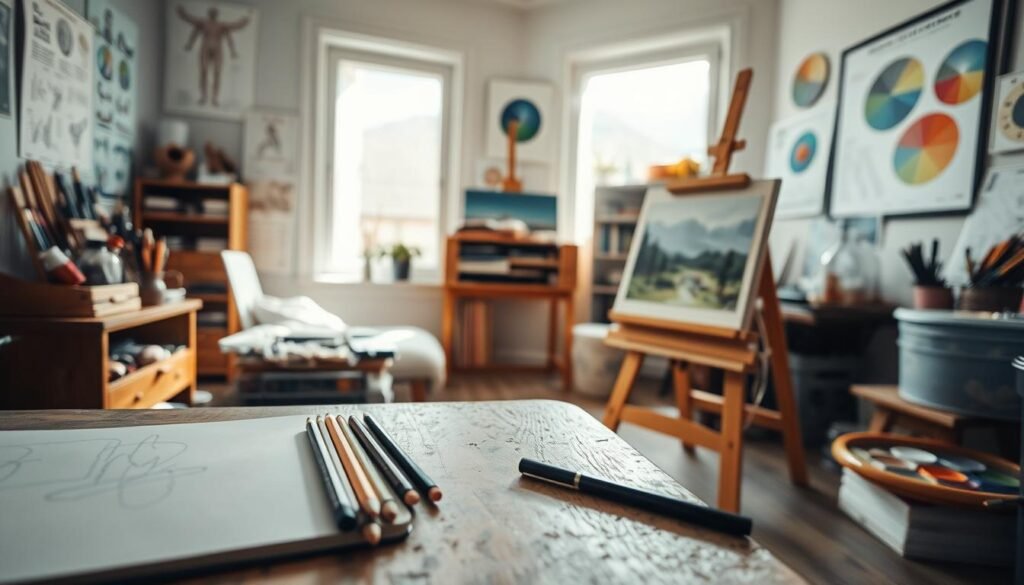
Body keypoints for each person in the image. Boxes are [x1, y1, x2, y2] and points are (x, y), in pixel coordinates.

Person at [176, 6, 250, 107]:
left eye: (215, 12)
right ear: (209, 13)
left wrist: (233, 51)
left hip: (217, 50)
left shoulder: (221, 25)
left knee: (217, 73)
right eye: (212, 12)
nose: (213, 14)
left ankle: (215, 98)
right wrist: (190, 44)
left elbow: (233, 31)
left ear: (217, 14)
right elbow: (193, 29)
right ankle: (203, 97)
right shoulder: (203, 23)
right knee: (204, 72)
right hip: (205, 48)